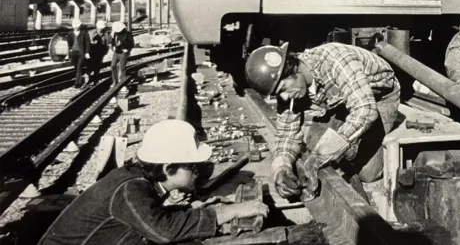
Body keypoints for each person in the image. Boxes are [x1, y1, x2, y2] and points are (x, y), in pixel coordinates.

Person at [39, 119, 268, 244]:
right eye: (194, 167)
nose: (200, 172)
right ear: (168, 168)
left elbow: (148, 218)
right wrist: (227, 212)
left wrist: (189, 209)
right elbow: (162, 231)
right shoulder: (130, 188)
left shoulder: (135, 179)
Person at [245, 41, 400, 200]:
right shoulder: (292, 87)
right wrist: (281, 168)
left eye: (284, 89)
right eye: (278, 94)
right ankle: (347, 146)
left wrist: (321, 156)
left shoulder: (337, 61)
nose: (284, 97)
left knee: (367, 172)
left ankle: (351, 147)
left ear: (293, 69)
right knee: (314, 146)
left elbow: (365, 110)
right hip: (339, 100)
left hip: (378, 97)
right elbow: (286, 135)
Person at [66, 19, 90, 89]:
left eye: (77, 26)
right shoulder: (70, 33)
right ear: (73, 26)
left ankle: (78, 83)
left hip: (81, 52)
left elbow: (87, 44)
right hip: (74, 53)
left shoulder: (84, 33)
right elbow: (69, 43)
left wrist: (87, 52)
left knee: (79, 66)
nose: (76, 27)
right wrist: (70, 50)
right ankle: (81, 78)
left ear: (79, 26)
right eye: (75, 26)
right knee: (76, 67)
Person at [88, 20, 111, 86]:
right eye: (100, 28)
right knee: (90, 65)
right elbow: (87, 42)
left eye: (102, 28)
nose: (101, 29)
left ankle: (95, 79)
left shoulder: (106, 34)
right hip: (92, 52)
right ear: (97, 27)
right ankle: (89, 78)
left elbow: (107, 44)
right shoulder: (91, 33)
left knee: (98, 66)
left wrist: (106, 51)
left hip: (100, 52)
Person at [111, 21, 134, 85]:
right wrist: (113, 46)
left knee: (122, 67)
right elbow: (113, 42)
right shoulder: (115, 33)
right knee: (113, 66)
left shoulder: (128, 34)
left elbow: (131, 44)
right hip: (116, 52)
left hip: (123, 53)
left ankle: (122, 82)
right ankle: (115, 81)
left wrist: (127, 50)